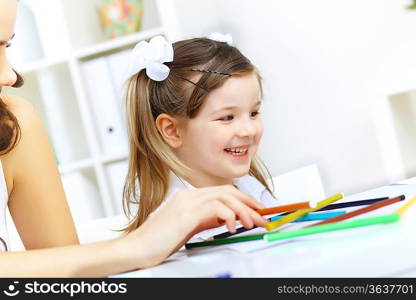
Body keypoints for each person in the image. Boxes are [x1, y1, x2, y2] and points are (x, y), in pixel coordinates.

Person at [0, 0, 268, 277]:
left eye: (7, 46)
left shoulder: (14, 125)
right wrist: (135, 248)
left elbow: (68, 275)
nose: (10, 76)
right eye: (227, 117)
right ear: (171, 130)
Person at [122, 34, 278, 241]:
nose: (248, 130)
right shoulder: (169, 226)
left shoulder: (249, 186)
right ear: (172, 131)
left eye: (253, 113)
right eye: (227, 117)